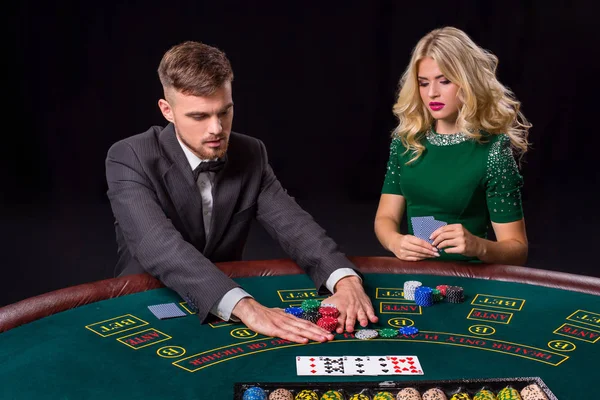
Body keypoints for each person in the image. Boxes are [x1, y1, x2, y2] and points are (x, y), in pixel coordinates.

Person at [105, 41, 378, 344]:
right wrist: (246, 307)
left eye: (225, 111)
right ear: (167, 110)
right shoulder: (130, 156)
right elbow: (158, 245)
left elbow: (294, 225)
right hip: (149, 303)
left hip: (227, 313)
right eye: (199, 116)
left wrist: (345, 279)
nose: (216, 129)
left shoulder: (250, 152)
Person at [374, 27, 531, 266]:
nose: (432, 94)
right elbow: (385, 218)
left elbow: (517, 250)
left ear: (467, 82)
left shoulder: (493, 151)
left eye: (444, 81)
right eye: (423, 83)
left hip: (471, 279)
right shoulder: (407, 142)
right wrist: (395, 241)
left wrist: (478, 246)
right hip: (418, 274)